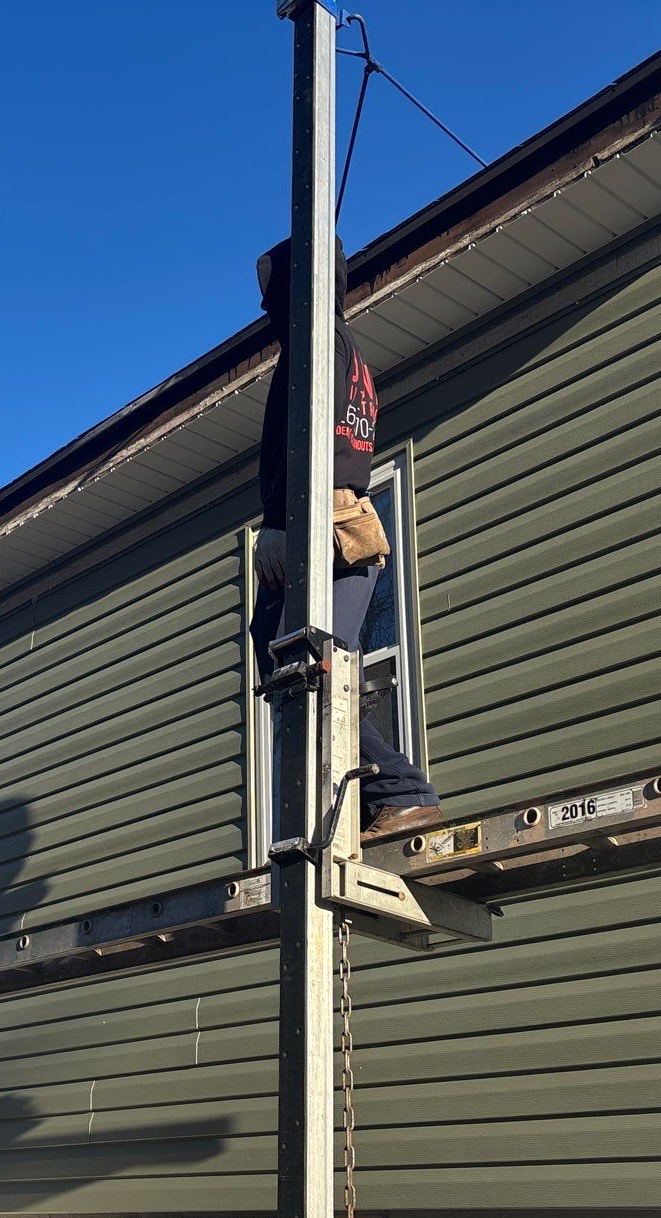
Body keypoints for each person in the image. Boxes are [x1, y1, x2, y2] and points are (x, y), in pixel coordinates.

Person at [248, 238, 443, 842]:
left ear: (291, 291)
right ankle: (365, 796)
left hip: (321, 526)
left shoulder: (316, 342)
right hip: (339, 525)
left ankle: (400, 791)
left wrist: (281, 523)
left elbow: (310, 441)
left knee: (307, 671)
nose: (268, 315)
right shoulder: (344, 350)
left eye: (271, 299)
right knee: (307, 669)